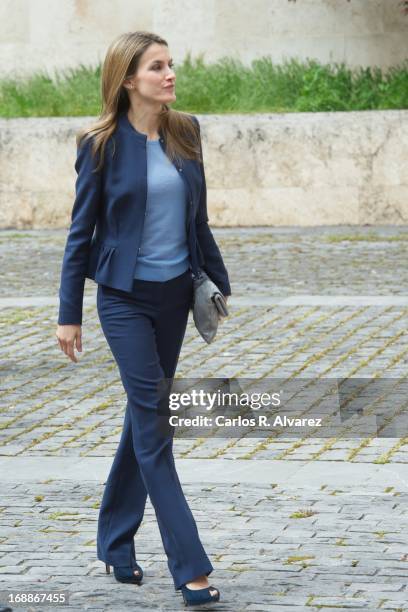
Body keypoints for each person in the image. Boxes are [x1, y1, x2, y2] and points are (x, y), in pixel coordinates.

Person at [55, 31, 231, 607]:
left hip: (175, 299)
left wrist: (216, 281)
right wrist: (69, 315)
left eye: (171, 64)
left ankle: (113, 542)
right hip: (123, 299)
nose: (170, 74)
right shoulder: (100, 144)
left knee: (143, 417)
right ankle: (191, 567)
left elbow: (197, 218)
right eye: (157, 67)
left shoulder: (186, 131)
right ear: (129, 79)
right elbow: (80, 234)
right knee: (158, 426)